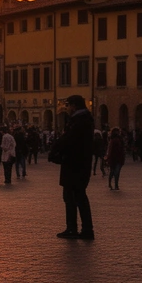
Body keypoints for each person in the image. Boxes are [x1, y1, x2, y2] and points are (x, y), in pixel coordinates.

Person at [57, 95, 95, 240]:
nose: (67, 108)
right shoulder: (84, 120)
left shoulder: (79, 122)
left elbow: (69, 140)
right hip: (78, 164)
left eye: (68, 105)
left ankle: (77, 229)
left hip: (75, 164)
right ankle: (82, 228)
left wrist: (57, 148)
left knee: (74, 197)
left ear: (74, 106)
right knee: (77, 196)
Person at [105, 126, 125, 191]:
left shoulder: (121, 139)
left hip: (119, 158)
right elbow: (110, 149)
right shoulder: (112, 139)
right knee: (112, 171)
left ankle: (116, 185)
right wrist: (108, 157)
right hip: (113, 158)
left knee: (117, 172)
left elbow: (123, 148)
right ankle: (110, 183)